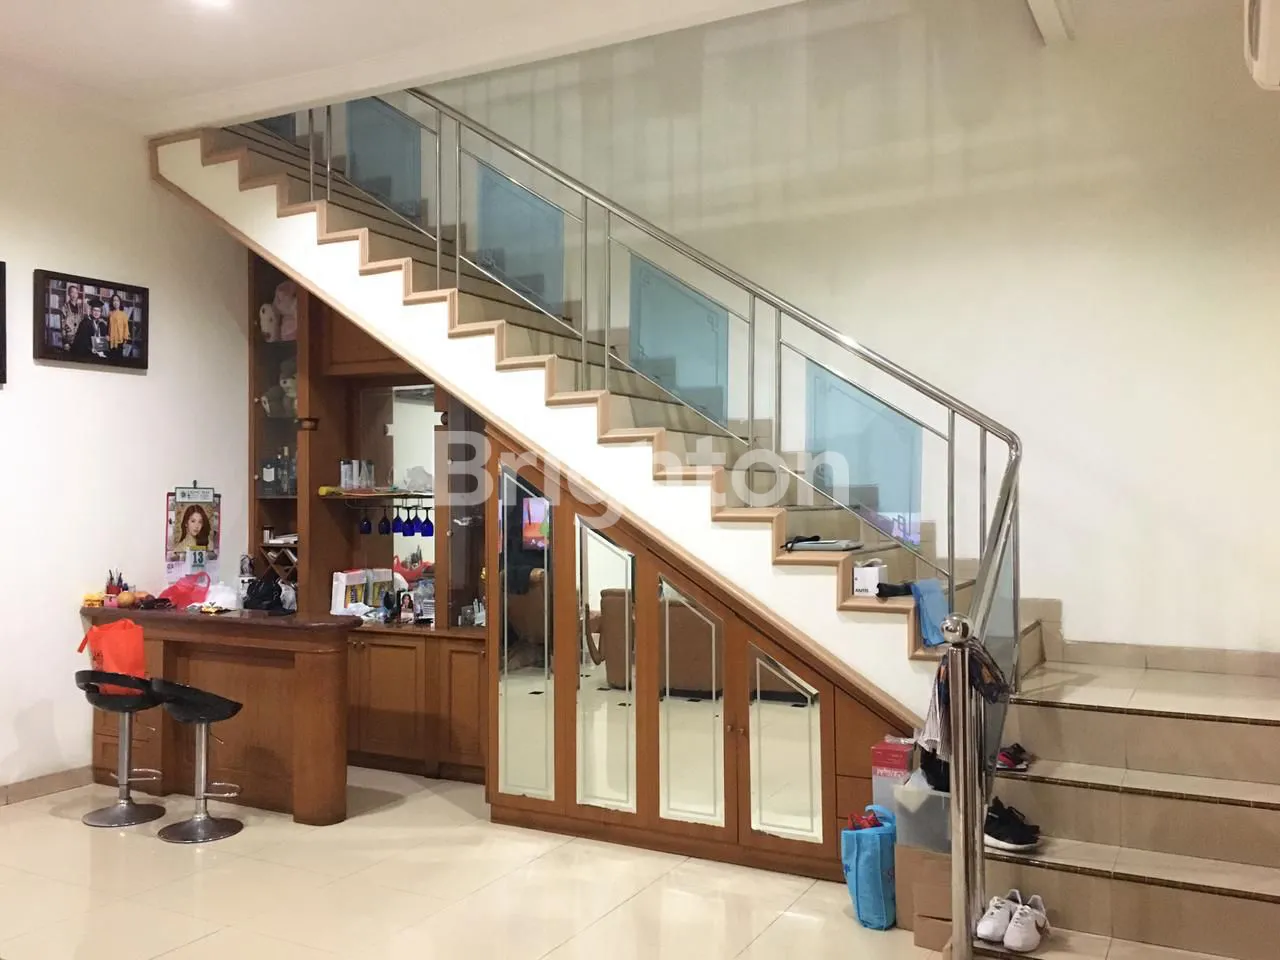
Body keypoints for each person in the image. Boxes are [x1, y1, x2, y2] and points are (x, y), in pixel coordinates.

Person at [60, 283, 87, 350]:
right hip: (68, 338)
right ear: (69, 294)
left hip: (78, 339)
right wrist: (65, 341)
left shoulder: (80, 308)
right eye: (72, 292)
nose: (74, 295)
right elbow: (62, 325)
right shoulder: (65, 307)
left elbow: (82, 323)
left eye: (76, 293)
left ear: (78, 295)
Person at [107, 294, 130, 358]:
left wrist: (125, 341)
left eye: (117, 300)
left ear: (120, 302)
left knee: (119, 359)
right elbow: (108, 326)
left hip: (120, 342)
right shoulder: (110, 314)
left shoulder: (123, 315)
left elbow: (126, 328)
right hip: (111, 341)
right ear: (112, 302)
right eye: (114, 300)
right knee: (110, 358)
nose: (115, 302)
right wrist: (107, 335)